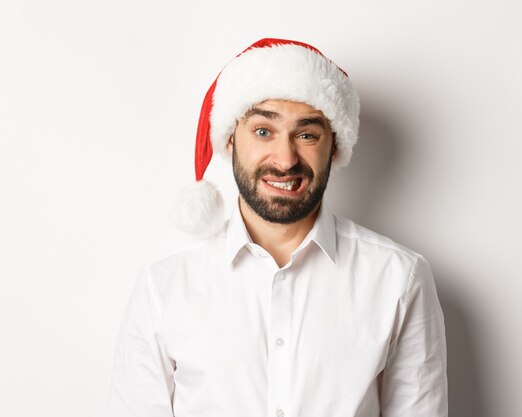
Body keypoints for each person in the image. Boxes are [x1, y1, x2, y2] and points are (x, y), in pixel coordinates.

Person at [106, 38, 447, 417]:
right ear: (231, 139)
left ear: (334, 147)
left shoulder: (399, 278)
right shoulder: (164, 284)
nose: (285, 160)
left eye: (306, 135)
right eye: (264, 131)